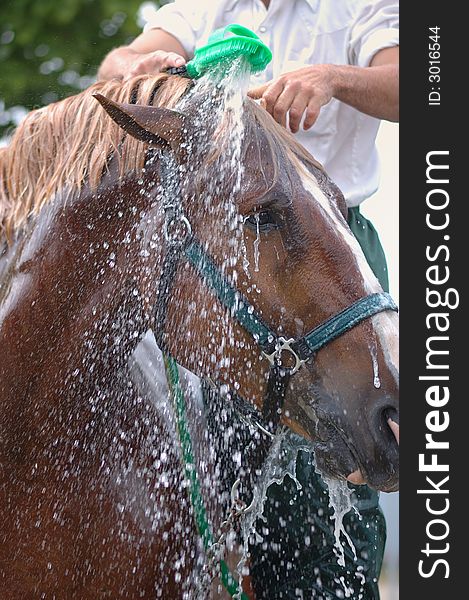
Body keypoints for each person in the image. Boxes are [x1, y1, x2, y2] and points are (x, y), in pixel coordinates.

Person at [98, 1, 399, 597]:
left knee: (340, 465)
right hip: (234, 250)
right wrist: (144, 64)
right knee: (224, 473)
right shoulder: (205, 5)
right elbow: (113, 68)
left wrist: (332, 78)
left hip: (329, 250)